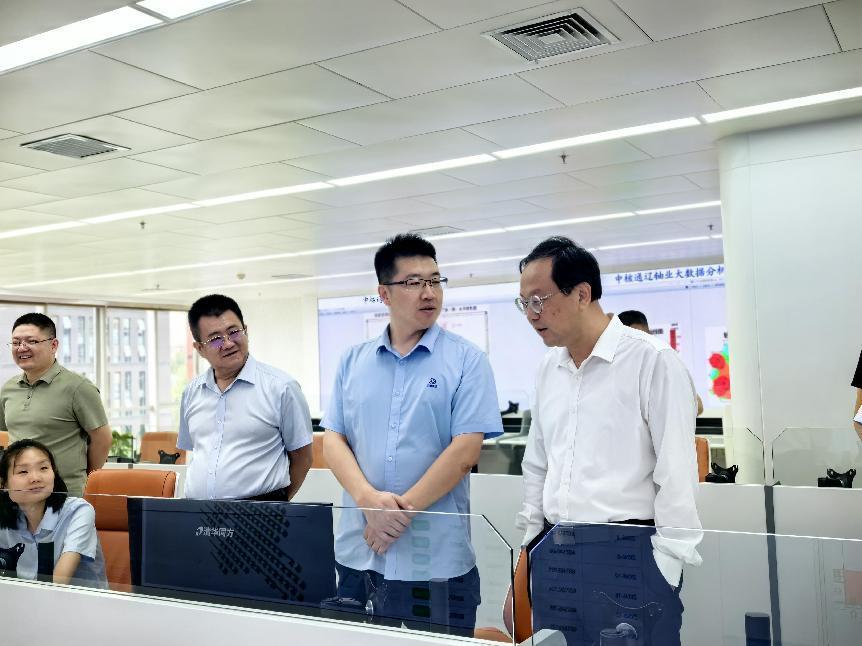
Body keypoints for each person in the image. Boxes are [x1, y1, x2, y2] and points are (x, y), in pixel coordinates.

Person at [515, 237, 702, 646]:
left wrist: (665, 568)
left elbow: (677, 473)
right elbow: (538, 464)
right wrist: (529, 550)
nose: (531, 314)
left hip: (628, 554)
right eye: (524, 303)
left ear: (582, 294)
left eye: (539, 300)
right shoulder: (548, 369)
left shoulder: (652, 361)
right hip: (555, 553)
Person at [322, 234, 503, 635]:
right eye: (414, 282)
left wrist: (393, 517)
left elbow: (464, 452)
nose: (429, 292)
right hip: (360, 554)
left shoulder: (467, 360)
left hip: (435, 561)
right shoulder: (353, 361)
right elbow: (333, 440)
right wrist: (368, 501)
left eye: (435, 280)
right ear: (384, 294)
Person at [178, 294, 313, 500]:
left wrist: (277, 504)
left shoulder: (281, 388)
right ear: (200, 349)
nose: (228, 343)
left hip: (260, 512)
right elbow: (196, 452)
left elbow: (303, 458)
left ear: (246, 331)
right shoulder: (191, 393)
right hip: (197, 512)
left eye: (234, 332)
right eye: (215, 339)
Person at [0, 313, 111, 497]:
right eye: (16, 342)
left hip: (65, 495)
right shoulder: (8, 388)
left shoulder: (78, 387)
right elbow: (7, 435)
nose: (22, 348)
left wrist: (86, 479)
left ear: (53, 345)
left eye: (32, 341)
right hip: (19, 496)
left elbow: (103, 440)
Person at [0, 439, 106, 587]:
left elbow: (57, 583)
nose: (36, 478)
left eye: (43, 468)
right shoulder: (6, 517)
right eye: (23, 471)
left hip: (75, 599)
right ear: (4, 484)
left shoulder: (78, 511)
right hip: (22, 599)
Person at [618, 309, 705, 416]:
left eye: (644, 338)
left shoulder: (664, 363)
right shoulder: (616, 371)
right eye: (634, 340)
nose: (641, 345)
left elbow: (698, 406)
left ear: (650, 335)